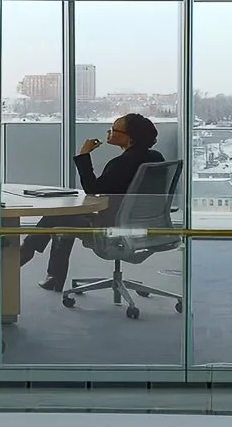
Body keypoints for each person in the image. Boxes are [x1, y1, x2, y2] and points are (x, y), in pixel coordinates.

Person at [20, 113, 163, 293]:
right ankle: (49, 272)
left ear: (129, 137)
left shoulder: (122, 163)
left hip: (111, 226)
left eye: (114, 130)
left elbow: (92, 188)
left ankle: (29, 254)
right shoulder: (156, 158)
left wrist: (84, 154)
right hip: (143, 225)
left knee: (58, 216)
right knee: (63, 219)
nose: (109, 132)